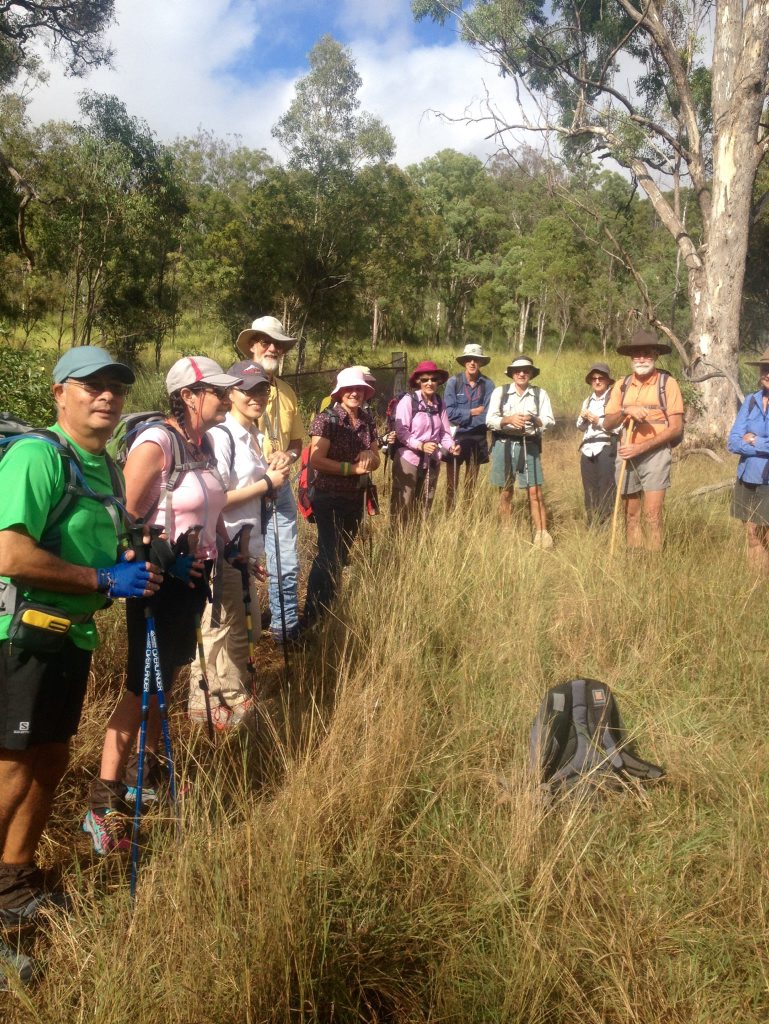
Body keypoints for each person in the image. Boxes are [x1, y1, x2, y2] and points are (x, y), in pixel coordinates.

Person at [0, 347, 159, 984]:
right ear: (60, 393)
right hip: (21, 637)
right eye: (92, 386)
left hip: (73, 637)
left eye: (117, 388)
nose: (107, 397)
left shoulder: (110, 469)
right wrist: (99, 576)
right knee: (10, 770)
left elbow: (116, 540)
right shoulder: (36, 457)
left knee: (50, 762)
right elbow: (9, 552)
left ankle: (14, 882)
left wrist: (153, 558)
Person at [84, 356, 241, 854]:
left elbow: (209, 508)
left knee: (163, 683)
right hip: (156, 582)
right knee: (139, 687)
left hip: (195, 580)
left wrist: (226, 547)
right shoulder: (157, 443)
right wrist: (164, 560)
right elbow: (122, 522)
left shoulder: (207, 443)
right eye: (216, 390)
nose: (225, 397)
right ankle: (101, 805)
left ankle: (144, 778)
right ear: (190, 394)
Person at [187, 361, 290, 729]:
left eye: (262, 390)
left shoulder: (254, 436)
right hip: (223, 544)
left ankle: (232, 694)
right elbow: (219, 498)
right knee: (219, 625)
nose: (256, 397)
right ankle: (205, 703)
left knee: (243, 626)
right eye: (247, 390)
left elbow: (255, 481)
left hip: (246, 547)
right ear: (230, 393)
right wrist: (268, 483)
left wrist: (276, 462)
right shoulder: (222, 436)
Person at [236, 316, 304, 645]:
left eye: (278, 343)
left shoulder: (287, 391)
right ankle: (243, 638)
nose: (273, 348)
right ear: (252, 345)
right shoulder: (233, 386)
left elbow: (296, 443)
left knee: (286, 562)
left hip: (281, 487)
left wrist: (287, 458)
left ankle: (285, 631)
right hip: (243, 489)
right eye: (265, 341)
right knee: (240, 565)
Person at [304, 367, 381, 624]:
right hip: (328, 497)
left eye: (359, 389)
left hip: (355, 497)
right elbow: (316, 460)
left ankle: (329, 608)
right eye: (349, 389)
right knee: (328, 554)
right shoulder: (327, 419)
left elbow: (376, 458)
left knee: (341, 554)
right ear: (340, 392)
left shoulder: (367, 421)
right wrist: (351, 469)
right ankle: (312, 615)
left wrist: (371, 458)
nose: (354, 393)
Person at [603, 329, 684, 550]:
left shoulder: (667, 383)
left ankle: (654, 564)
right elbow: (607, 423)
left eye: (647, 354)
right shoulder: (622, 384)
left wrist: (642, 447)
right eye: (637, 354)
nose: (641, 359)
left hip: (655, 455)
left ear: (656, 355)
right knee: (630, 514)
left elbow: (676, 428)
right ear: (630, 358)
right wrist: (626, 410)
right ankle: (635, 561)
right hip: (627, 453)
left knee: (652, 515)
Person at [487, 356, 555, 547]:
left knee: (535, 492)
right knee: (506, 491)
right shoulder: (500, 392)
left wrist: (534, 420)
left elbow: (549, 420)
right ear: (511, 374)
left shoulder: (540, 394)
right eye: (518, 371)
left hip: (530, 445)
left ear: (532, 373)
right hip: (503, 443)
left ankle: (542, 534)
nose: (522, 373)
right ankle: (507, 531)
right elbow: (490, 419)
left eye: (526, 370)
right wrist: (509, 420)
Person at [390, 360, 460, 523]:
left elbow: (444, 432)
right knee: (403, 505)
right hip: (408, 459)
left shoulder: (440, 403)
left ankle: (417, 540)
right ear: (417, 381)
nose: (430, 383)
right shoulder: (408, 401)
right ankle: (397, 542)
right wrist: (420, 445)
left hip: (432, 460)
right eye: (425, 379)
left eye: (434, 379)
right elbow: (402, 432)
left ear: (438, 382)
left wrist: (451, 446)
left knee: (424, 505)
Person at [727, 347, 769, 573]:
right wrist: (762, 444)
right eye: (765, 368)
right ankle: (756, 586)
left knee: (766, 535)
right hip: (746, 477)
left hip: (767, 481)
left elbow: (745, 441)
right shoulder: (751, 400)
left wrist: (754, 442)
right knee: (752, 535)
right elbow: (732, 442)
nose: (768, 373)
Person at [443, 343, 496, 510]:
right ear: (464, 362)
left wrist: (463, 416)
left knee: (471, 480)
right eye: (469, 359)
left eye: (476, 360)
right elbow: (449, 413)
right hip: (456, 436)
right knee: (452, 480)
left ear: (480, 363)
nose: (472, 363)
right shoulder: (453, 382)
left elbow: (488, 415)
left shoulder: (488, 385)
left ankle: (466, 513)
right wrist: (472, 412)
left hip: (478, 437)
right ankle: (450, 512)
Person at [577, 362, 620, 525]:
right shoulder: (587, 401)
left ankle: (606, 525)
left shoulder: (614, 400)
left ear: (608, 380)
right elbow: (580, 427)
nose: (597, 381)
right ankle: (592, 524)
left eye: (601, 378)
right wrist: (584, 417)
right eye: (593, 378)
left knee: (606, 488)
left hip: (605, 446)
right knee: (589, 489)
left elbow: (619, 427)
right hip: (587, 449)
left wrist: (599, 421)